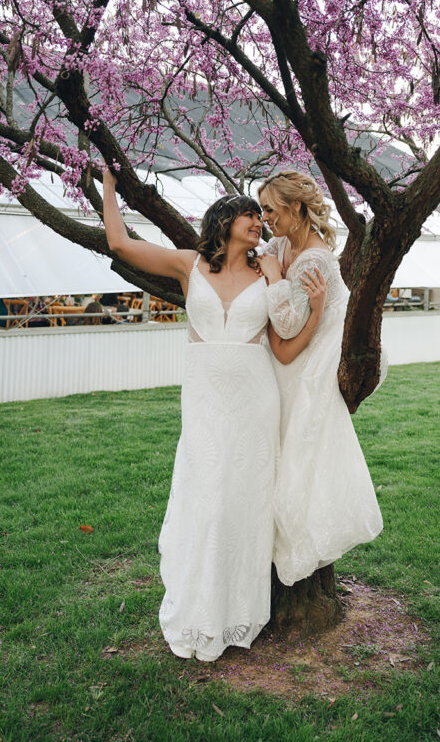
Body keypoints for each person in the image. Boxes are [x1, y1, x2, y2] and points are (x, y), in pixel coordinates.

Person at [101, 167, 324, 661]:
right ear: (224, 220)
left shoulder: (271, 270)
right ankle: (199, 606)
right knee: (206, 498)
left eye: (261, 216)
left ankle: (237, 612)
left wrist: (317, 304)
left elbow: (284, 349)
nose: (259, 223)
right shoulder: (189, 265)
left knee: (242, 502)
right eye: (250, 214)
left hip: (253, 399)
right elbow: (118, 243)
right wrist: (111, 188)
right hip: (203, 397)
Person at [257, 170, 384, 587]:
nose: (265, 219)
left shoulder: (313, 259)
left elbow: (291, 325)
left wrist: (274, 277)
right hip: (290, 355)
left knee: (299, 451)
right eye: (262, 210)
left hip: (312, 355)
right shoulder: (280, 245)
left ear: (295, 208)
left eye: (271, 210)